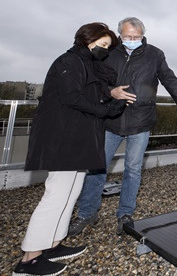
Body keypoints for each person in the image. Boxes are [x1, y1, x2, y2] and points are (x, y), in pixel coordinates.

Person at [69, 17, 177, 236]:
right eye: (127, 36)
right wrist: (110, 92)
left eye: (136, 36)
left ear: (143, 35)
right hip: (110, 119)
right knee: (96, 168)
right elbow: (94, 79)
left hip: (141, 121)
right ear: (119, 35)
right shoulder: (109, 52)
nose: (132, 40)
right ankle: (87, 213)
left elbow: (169, 78)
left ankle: (125, 214)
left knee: (133, 170)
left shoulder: (155, 54)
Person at [13, 23, 125, 276]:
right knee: (56, 195)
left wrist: (111, 96)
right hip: (62, 137)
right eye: (103, 44)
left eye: (108, 47)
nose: (105, 50)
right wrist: (107, 109)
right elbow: (72, 97)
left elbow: (92, 93)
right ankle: (29, 259)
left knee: (70, 193)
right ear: (87, 39)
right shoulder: (70, 60)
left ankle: (51, 244)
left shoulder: (86, 64)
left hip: (76, 136)